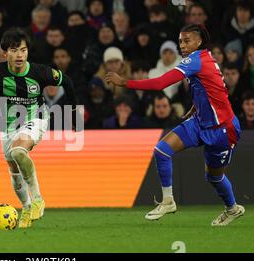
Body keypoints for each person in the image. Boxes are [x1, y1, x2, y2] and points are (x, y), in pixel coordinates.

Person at [105, 24, 245, 226]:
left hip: (222, 129)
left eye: (187, 40)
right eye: (181, 41)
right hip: (199, 123)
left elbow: (160, 83)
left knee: (214, 177)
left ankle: (232, 208)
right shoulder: (205, 60)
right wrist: (197, 107)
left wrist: (125, 82)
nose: (183, 45)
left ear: (200, 42)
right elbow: (214, 88)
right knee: (162, 150)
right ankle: (168, 200)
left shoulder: (195, 60)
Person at [0, 28, 78, 228]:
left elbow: (67, 81)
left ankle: (38, 199)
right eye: (14, 50)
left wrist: (73, 113)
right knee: (14, 169)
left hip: (37, 117)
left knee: (18, 151)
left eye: (23, 50)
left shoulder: (39, 71)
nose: (19, 55)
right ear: (5, 53)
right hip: (9, 126)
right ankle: (26, 207)